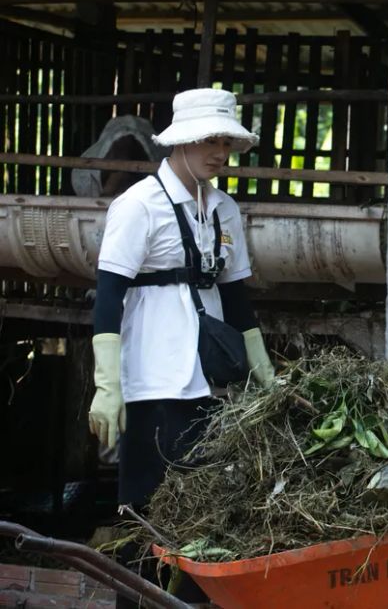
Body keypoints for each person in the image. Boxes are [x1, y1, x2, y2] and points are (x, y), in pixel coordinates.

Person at [86, 88, 274, 605]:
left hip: (209, 378)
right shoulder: (139, 205)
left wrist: (266, 375)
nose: (219, 152)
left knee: (204, 506)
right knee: (145, 506)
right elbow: (108, 297)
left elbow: (237, 300)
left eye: (226, 142)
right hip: (152, 376)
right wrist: (109, 386)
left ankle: (189, 601)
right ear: (181, 141)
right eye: (209, 140)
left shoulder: (223, 208)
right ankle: (137, 601)